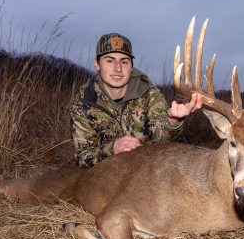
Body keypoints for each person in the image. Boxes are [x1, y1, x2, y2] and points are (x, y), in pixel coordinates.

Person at [70, 33, 202, 168]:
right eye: (109, 60)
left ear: (131, 66)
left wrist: (173, 119)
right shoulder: (83, 103)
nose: (118, 68)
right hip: (105, 177)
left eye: (124, 61)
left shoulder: (149, 94)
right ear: (96, 64)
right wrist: (112, 149)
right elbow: (83, 158)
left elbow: (162, 142)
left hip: (146, 171)